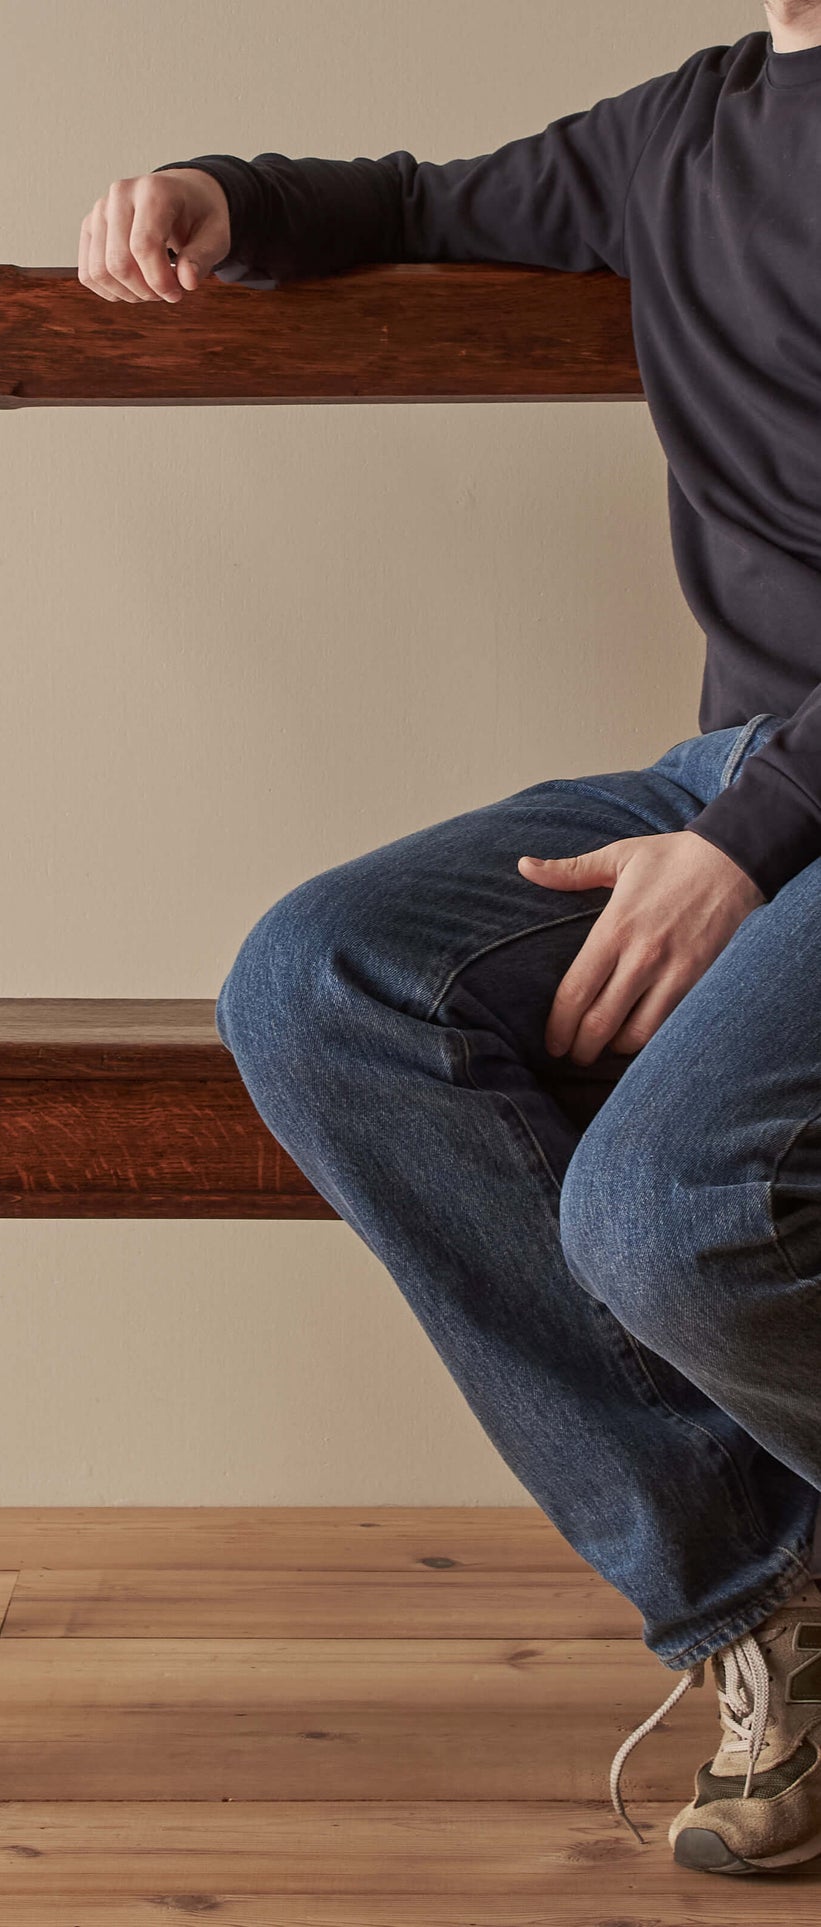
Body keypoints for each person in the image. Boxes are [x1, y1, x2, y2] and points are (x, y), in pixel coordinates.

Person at [77, 0, 821, 1880]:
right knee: (321, 978)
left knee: (670, 1214)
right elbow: (419, 196)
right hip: (731, 776)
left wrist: (745, 841)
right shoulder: (688, 129)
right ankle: (765, 1603)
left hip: (769, 811)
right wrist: (218, 192)